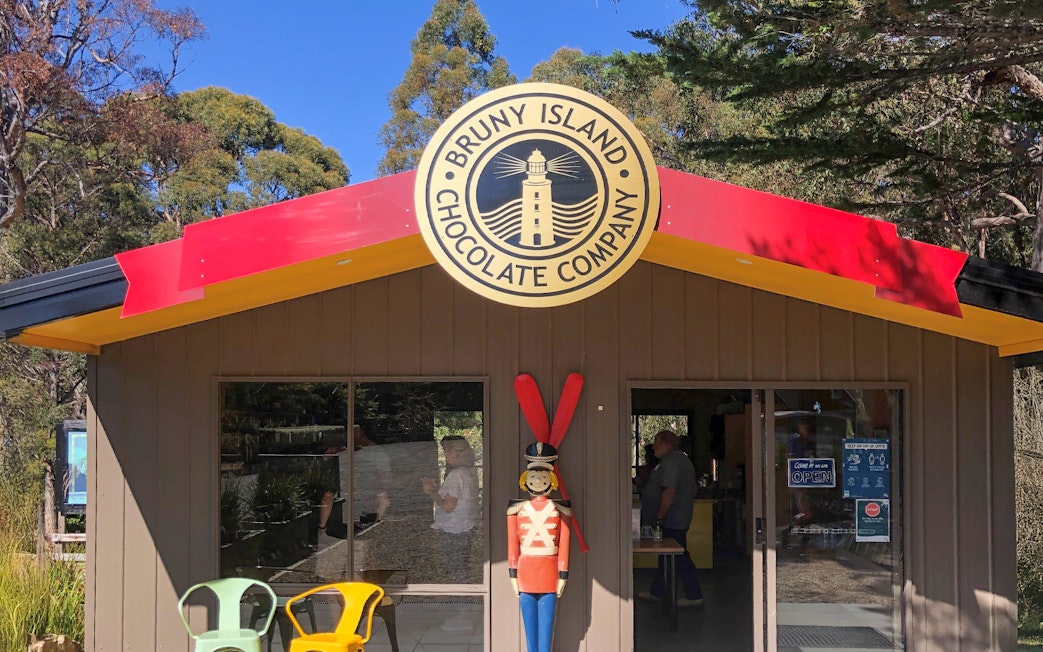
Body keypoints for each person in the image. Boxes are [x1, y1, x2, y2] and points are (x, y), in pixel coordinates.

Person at [508, 442, 571, 652]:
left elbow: (564, 543)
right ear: (526, 480)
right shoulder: (516, 508)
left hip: (549, 569)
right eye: (534, 477)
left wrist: (563, 575)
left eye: (543, 477)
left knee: (546, 625)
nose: (538, 481)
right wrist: (513, 575)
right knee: (529, 626)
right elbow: (512, 544)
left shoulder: (561, 508)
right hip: (525, 570)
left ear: (551, 480)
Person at [638, 430, 704, 607]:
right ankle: (658, 591)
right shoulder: (671, 460)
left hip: (672, 518)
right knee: (666, 555)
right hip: (671, 517)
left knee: (679, 555)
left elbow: (669, 491)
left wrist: (659, 515)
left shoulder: (673, 461)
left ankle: (694, 594)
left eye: (657, 442)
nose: (654, 446)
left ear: (668, 444)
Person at [422, 435, 479, 581]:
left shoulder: (456, 474)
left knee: (455, 566)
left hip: (454, 527)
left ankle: (461, 600)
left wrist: (431, 492)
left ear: (459, 454)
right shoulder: (470, 472)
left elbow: (448, 506)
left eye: (448, 451)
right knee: (463, 563)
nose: (445, 455)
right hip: (467, 524)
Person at [352, 424, 390, 524]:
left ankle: (375, 520)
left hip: (373, 484)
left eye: (354, 437)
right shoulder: (359, 450)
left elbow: (384, 472)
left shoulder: (374, 452)